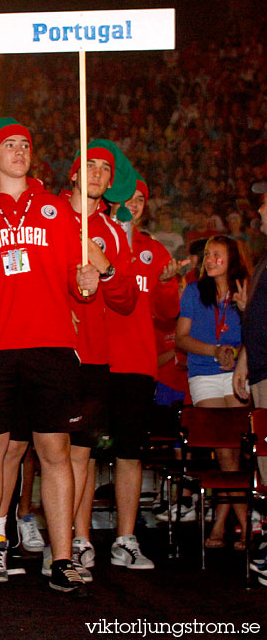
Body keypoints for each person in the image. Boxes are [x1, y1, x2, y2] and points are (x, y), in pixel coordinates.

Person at [0, 118, 100, 595]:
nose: (19, 151)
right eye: (8, 145)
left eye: (25, 145)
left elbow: (81, 281)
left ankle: (61, 557)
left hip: (51, 346)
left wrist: (87, 283)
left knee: (54, 453)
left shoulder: (59, 210)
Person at [62, 140, 138, 581]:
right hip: (51, 349)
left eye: (104, 170)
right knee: (26, 451)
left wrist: (105, 268)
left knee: (82, 454)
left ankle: (77, 539)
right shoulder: (49, 216)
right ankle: (2, 539)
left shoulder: (111, 231)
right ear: (73, 174)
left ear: (110, 183)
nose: (96, 174)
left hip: (93, 355)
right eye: (88, 166)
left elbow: (127, 300)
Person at [103, 175, 181, 571]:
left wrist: (167, 286)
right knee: (78, 455)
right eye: (124, 199)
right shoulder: (94, 240)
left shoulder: (154, 252)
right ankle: (75, 540)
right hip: (96, 361)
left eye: (138, 200)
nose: (131, 205)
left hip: (136, 364)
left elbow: (167, 314)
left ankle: (125, 539)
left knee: (129, 455)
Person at [176, 235, 249, 549]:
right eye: (207, 255)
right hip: (204, 374)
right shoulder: (194, 291)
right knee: (222, 449)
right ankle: (246, 525)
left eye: (217, 254)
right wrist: (215, 350)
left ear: (231, 258)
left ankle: (219, 524)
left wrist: (245, 312)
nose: (209, 259)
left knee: (234, 449)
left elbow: (257, 334)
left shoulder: (244, 290)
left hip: (237, 373)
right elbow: (181, 338)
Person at [234, 181, 267, 582]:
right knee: (265, 463)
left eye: (265, 203)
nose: (260, 211)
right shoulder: (262, 261)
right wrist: (245, 357)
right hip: (260, 371)